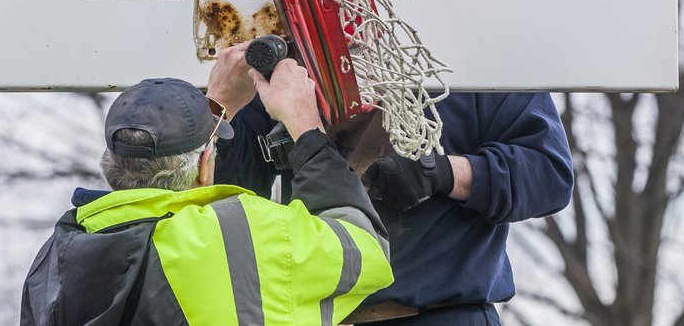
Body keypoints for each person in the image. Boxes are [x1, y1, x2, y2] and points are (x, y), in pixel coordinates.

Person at [208, 42, 574, 325]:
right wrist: (219, 107)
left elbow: (547, 172)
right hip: (316, 315)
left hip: (441, 314)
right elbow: (221, 185)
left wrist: (444, 173)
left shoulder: (473, 47)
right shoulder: (291, 61)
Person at [19, 63, 394, 326]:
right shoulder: (243, 232)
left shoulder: (55, 258)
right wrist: (307, 129)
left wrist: (212, 110)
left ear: (111, 164)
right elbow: (364, 250)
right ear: (204, 166)